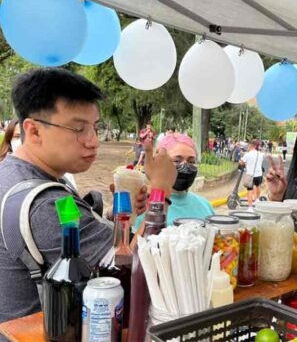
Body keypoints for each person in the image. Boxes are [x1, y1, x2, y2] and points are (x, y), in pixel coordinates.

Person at [0, 68, 175, 323]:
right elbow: (136, 273)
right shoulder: (45, 203)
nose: (93, 141)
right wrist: (161, 189)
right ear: (34, 131)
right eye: (79, 129)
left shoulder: (17, 175)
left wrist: (120, 218)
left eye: (95, 127)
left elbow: (70, 226)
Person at [134, 133, 214, 229]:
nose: (185, 167)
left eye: (191, 161)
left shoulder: (206, 206)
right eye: (177, 161)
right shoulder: (142, 207)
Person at [239, 140, 264, 209]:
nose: (248, 147)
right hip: (259, 174)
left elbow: (241, 163)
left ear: (251, 146)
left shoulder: (248, 154)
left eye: (248, 145)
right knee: (258, 186)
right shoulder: (260, 154)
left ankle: (250, 208)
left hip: (250, 175)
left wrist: (241, 160)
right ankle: (257, 199)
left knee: (250, 190)